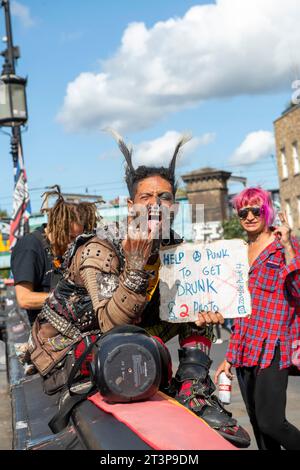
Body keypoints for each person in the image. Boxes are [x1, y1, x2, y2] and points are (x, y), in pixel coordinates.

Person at [29, 134, 250, 448]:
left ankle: (194, 391)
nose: (156, 204)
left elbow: (183, 307)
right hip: (70, 347)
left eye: (165, 196)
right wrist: (133, 267)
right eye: (146, 197)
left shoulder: (174, 246)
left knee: (196, 301)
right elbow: (110, 326)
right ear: (130, 205)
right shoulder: (101, 248)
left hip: (125, 341)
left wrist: (205, 313)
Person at [215, 187, 300, 450]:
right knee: (259, 429)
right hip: (245, 347)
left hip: (274, 346)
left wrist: (287, 245)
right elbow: (240, 310)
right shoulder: (238, 252)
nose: (250, 216)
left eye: (256, 210)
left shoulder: (283, 244)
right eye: (243, 211)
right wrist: (230, 355)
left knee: (271, 422)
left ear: (267, 211)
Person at [11, 186, 98, 325]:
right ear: (56, 227)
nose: (73, 243)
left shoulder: (71, 249)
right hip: (45, 337)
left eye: (77, 238)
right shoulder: (30, 247)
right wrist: (66, 299)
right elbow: (24, 299)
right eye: (70, 237)